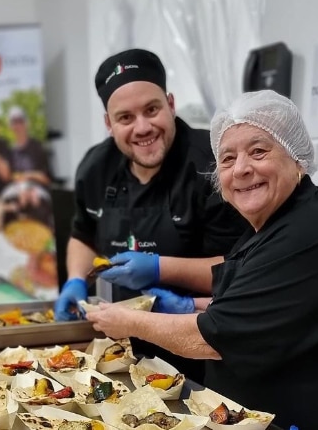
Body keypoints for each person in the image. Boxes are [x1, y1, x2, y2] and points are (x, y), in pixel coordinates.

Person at [86, 90, 318, 429]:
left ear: (296, 158)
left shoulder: (310, 232)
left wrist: (129, 322)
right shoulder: (270, 224)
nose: (240, 169)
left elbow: (210, 339)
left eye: (258, 151)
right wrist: (187, 305)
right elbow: (260, 304)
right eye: (227, 159)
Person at [55, 48, 248, 382]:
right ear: (109, 124)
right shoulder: (96, 167)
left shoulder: (215, 164)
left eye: (152, 109)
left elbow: (241, 269)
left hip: (204, 345)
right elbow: (83, 233)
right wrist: (74, 278)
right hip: (121, 348)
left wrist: (159, 268)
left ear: (171, 104)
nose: (142, 127)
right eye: (125, 118)